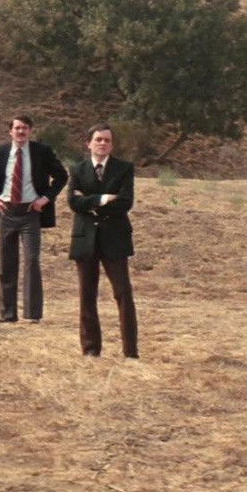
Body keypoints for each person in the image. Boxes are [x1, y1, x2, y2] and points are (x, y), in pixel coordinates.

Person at [0, 115, 68, 323]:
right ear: (10, 131)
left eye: (25, 128)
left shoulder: (42, 151)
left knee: (32, 260)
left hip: (31, 213)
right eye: (17, 128)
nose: (21, 132)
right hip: (6, 212)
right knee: (7, 263)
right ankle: (7, 314)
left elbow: (62, 176)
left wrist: (45, 198)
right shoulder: (0, 151)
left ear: (30, 131)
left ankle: (32, 314)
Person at [67, 124, 139, 358]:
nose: (102, 143)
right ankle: (90, 350)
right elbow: (73, 203)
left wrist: (89, 202)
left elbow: (125, 202)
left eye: (107, 140)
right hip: (85, 238)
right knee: (87, 296)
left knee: (123, 294)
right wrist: (104, 198)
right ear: (89, 143)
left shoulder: (124, 169)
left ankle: (130, 352)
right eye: (98, 139)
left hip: (115, 238)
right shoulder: (77, 170)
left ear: (112, 145)